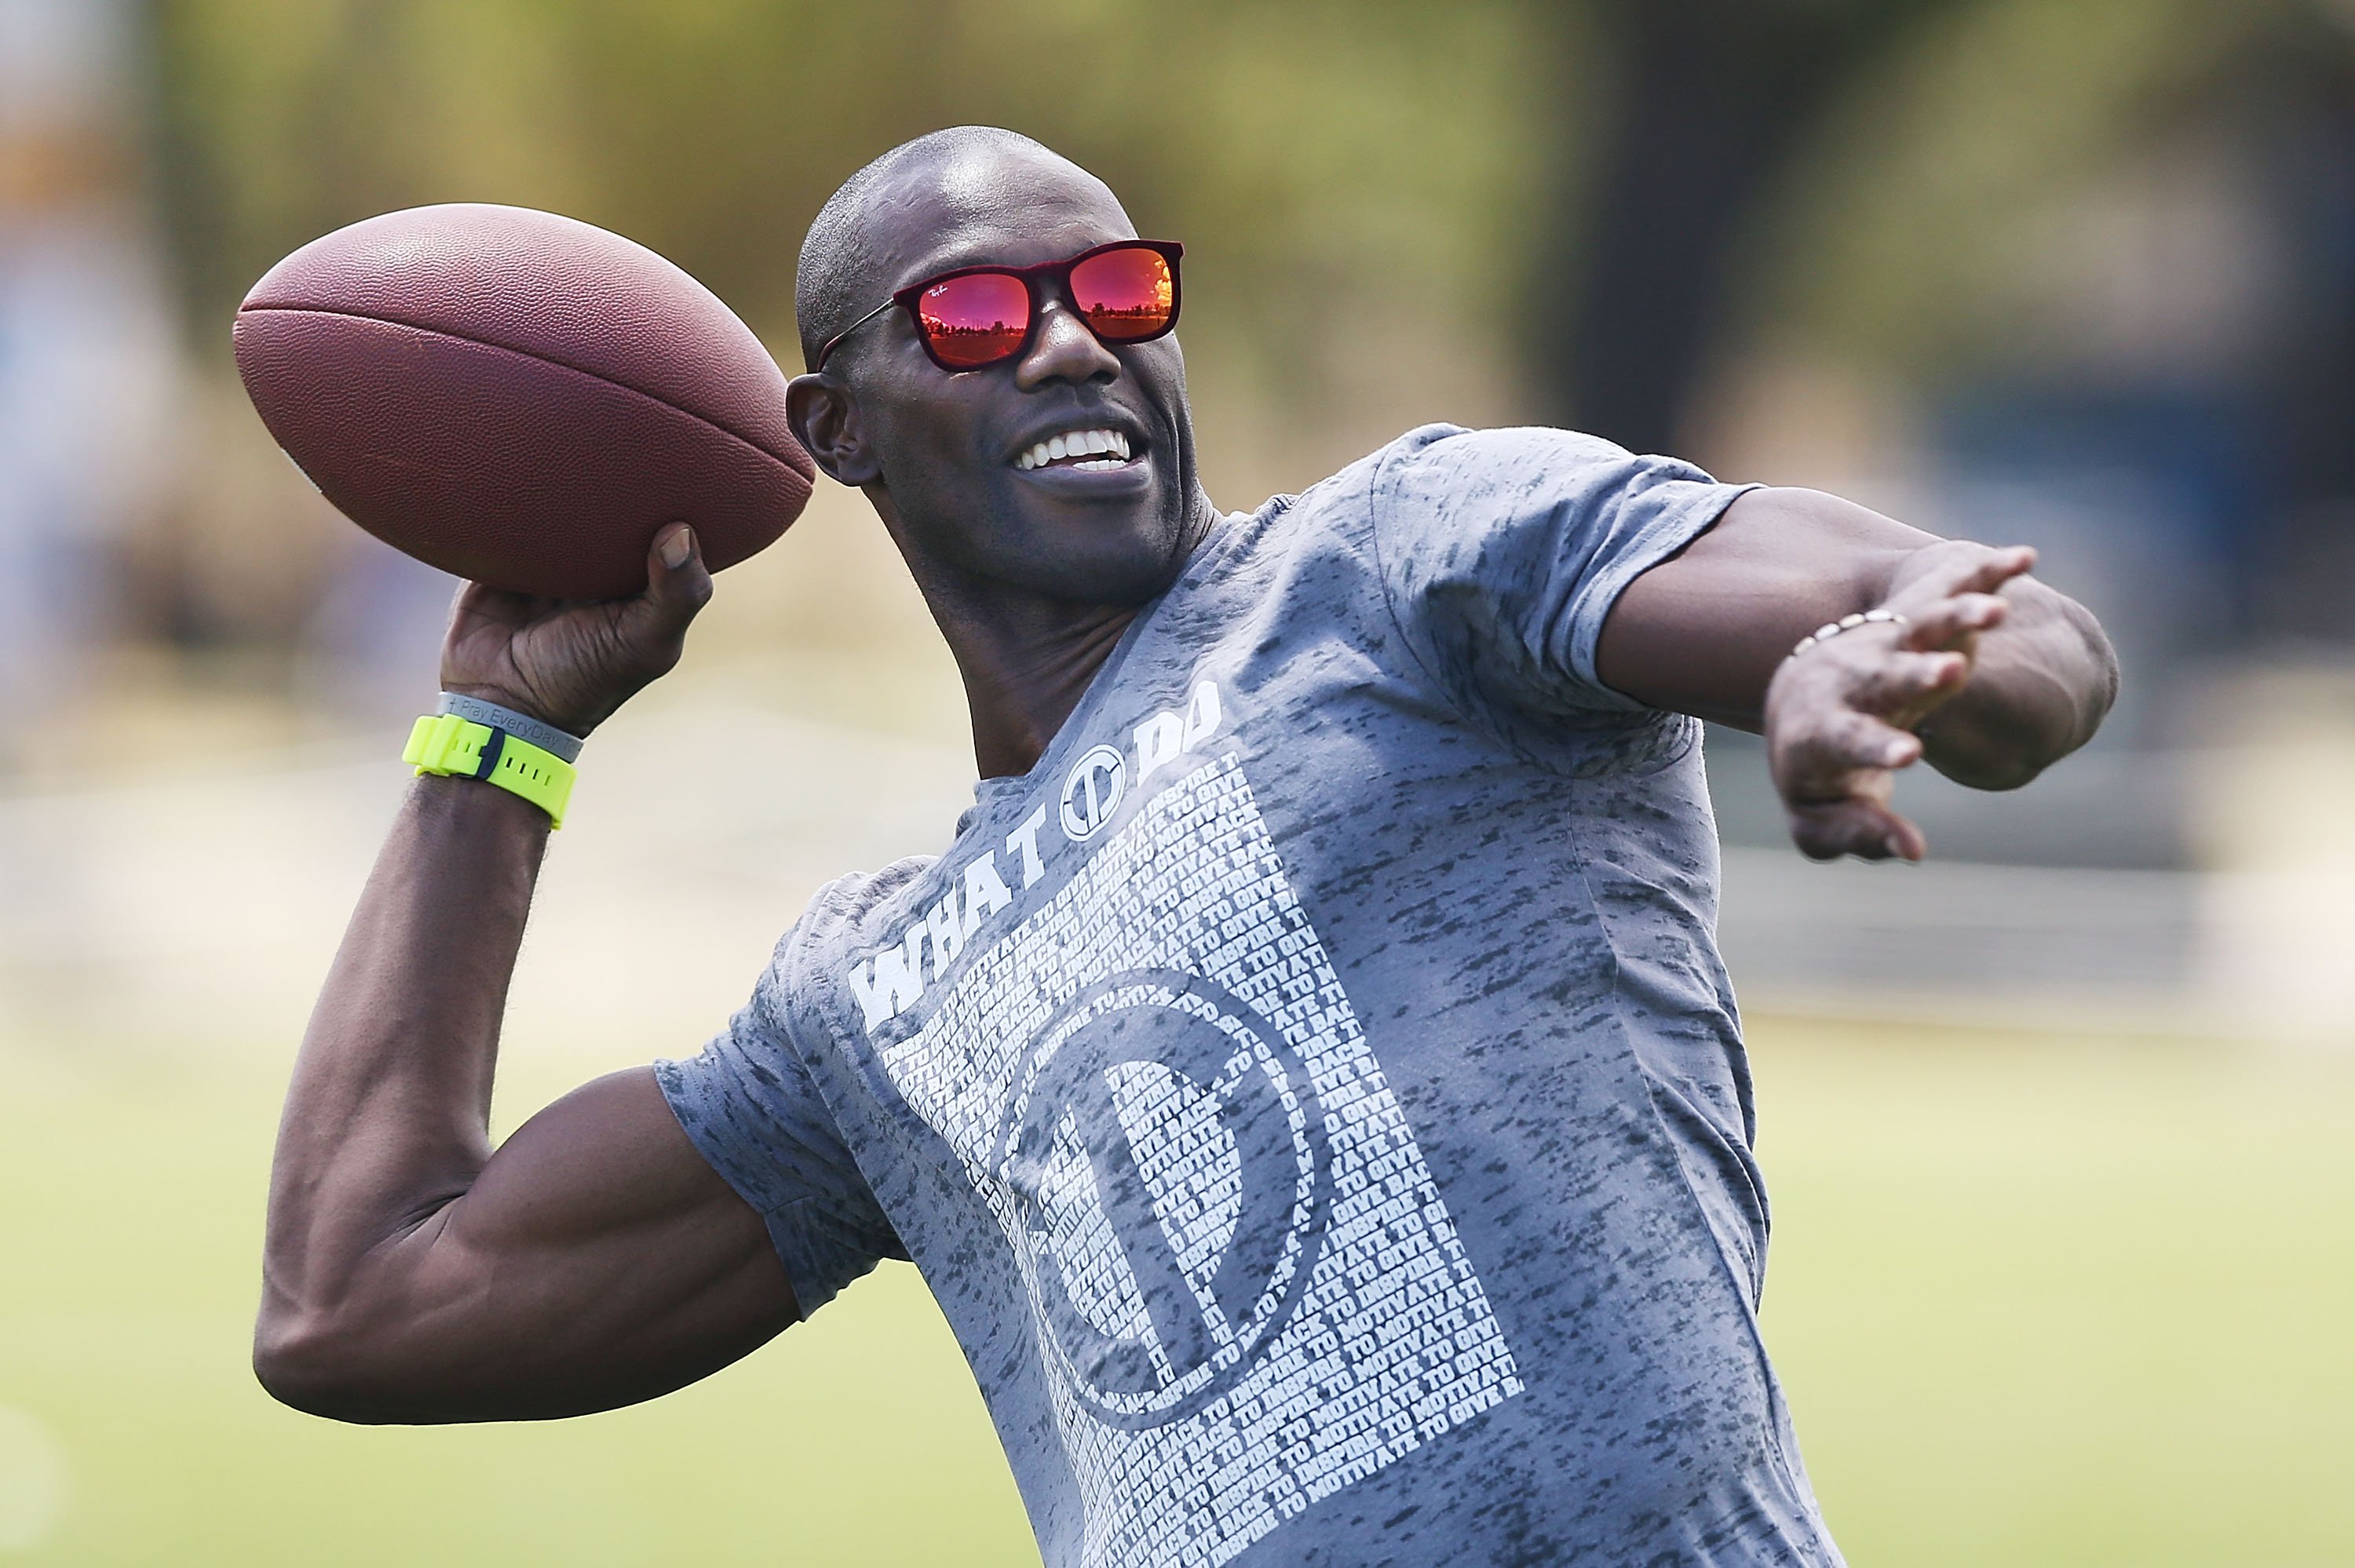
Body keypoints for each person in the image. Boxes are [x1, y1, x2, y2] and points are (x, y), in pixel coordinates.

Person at [255, 127, 2116, 1566]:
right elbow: (357, 1308)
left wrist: (1890, 669)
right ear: (834, 432)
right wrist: (496, 738)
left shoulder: (1403, 563)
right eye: (975, 319)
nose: (1072, 340)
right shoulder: (866, 1000)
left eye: (1121, 293)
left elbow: (1996, 621)